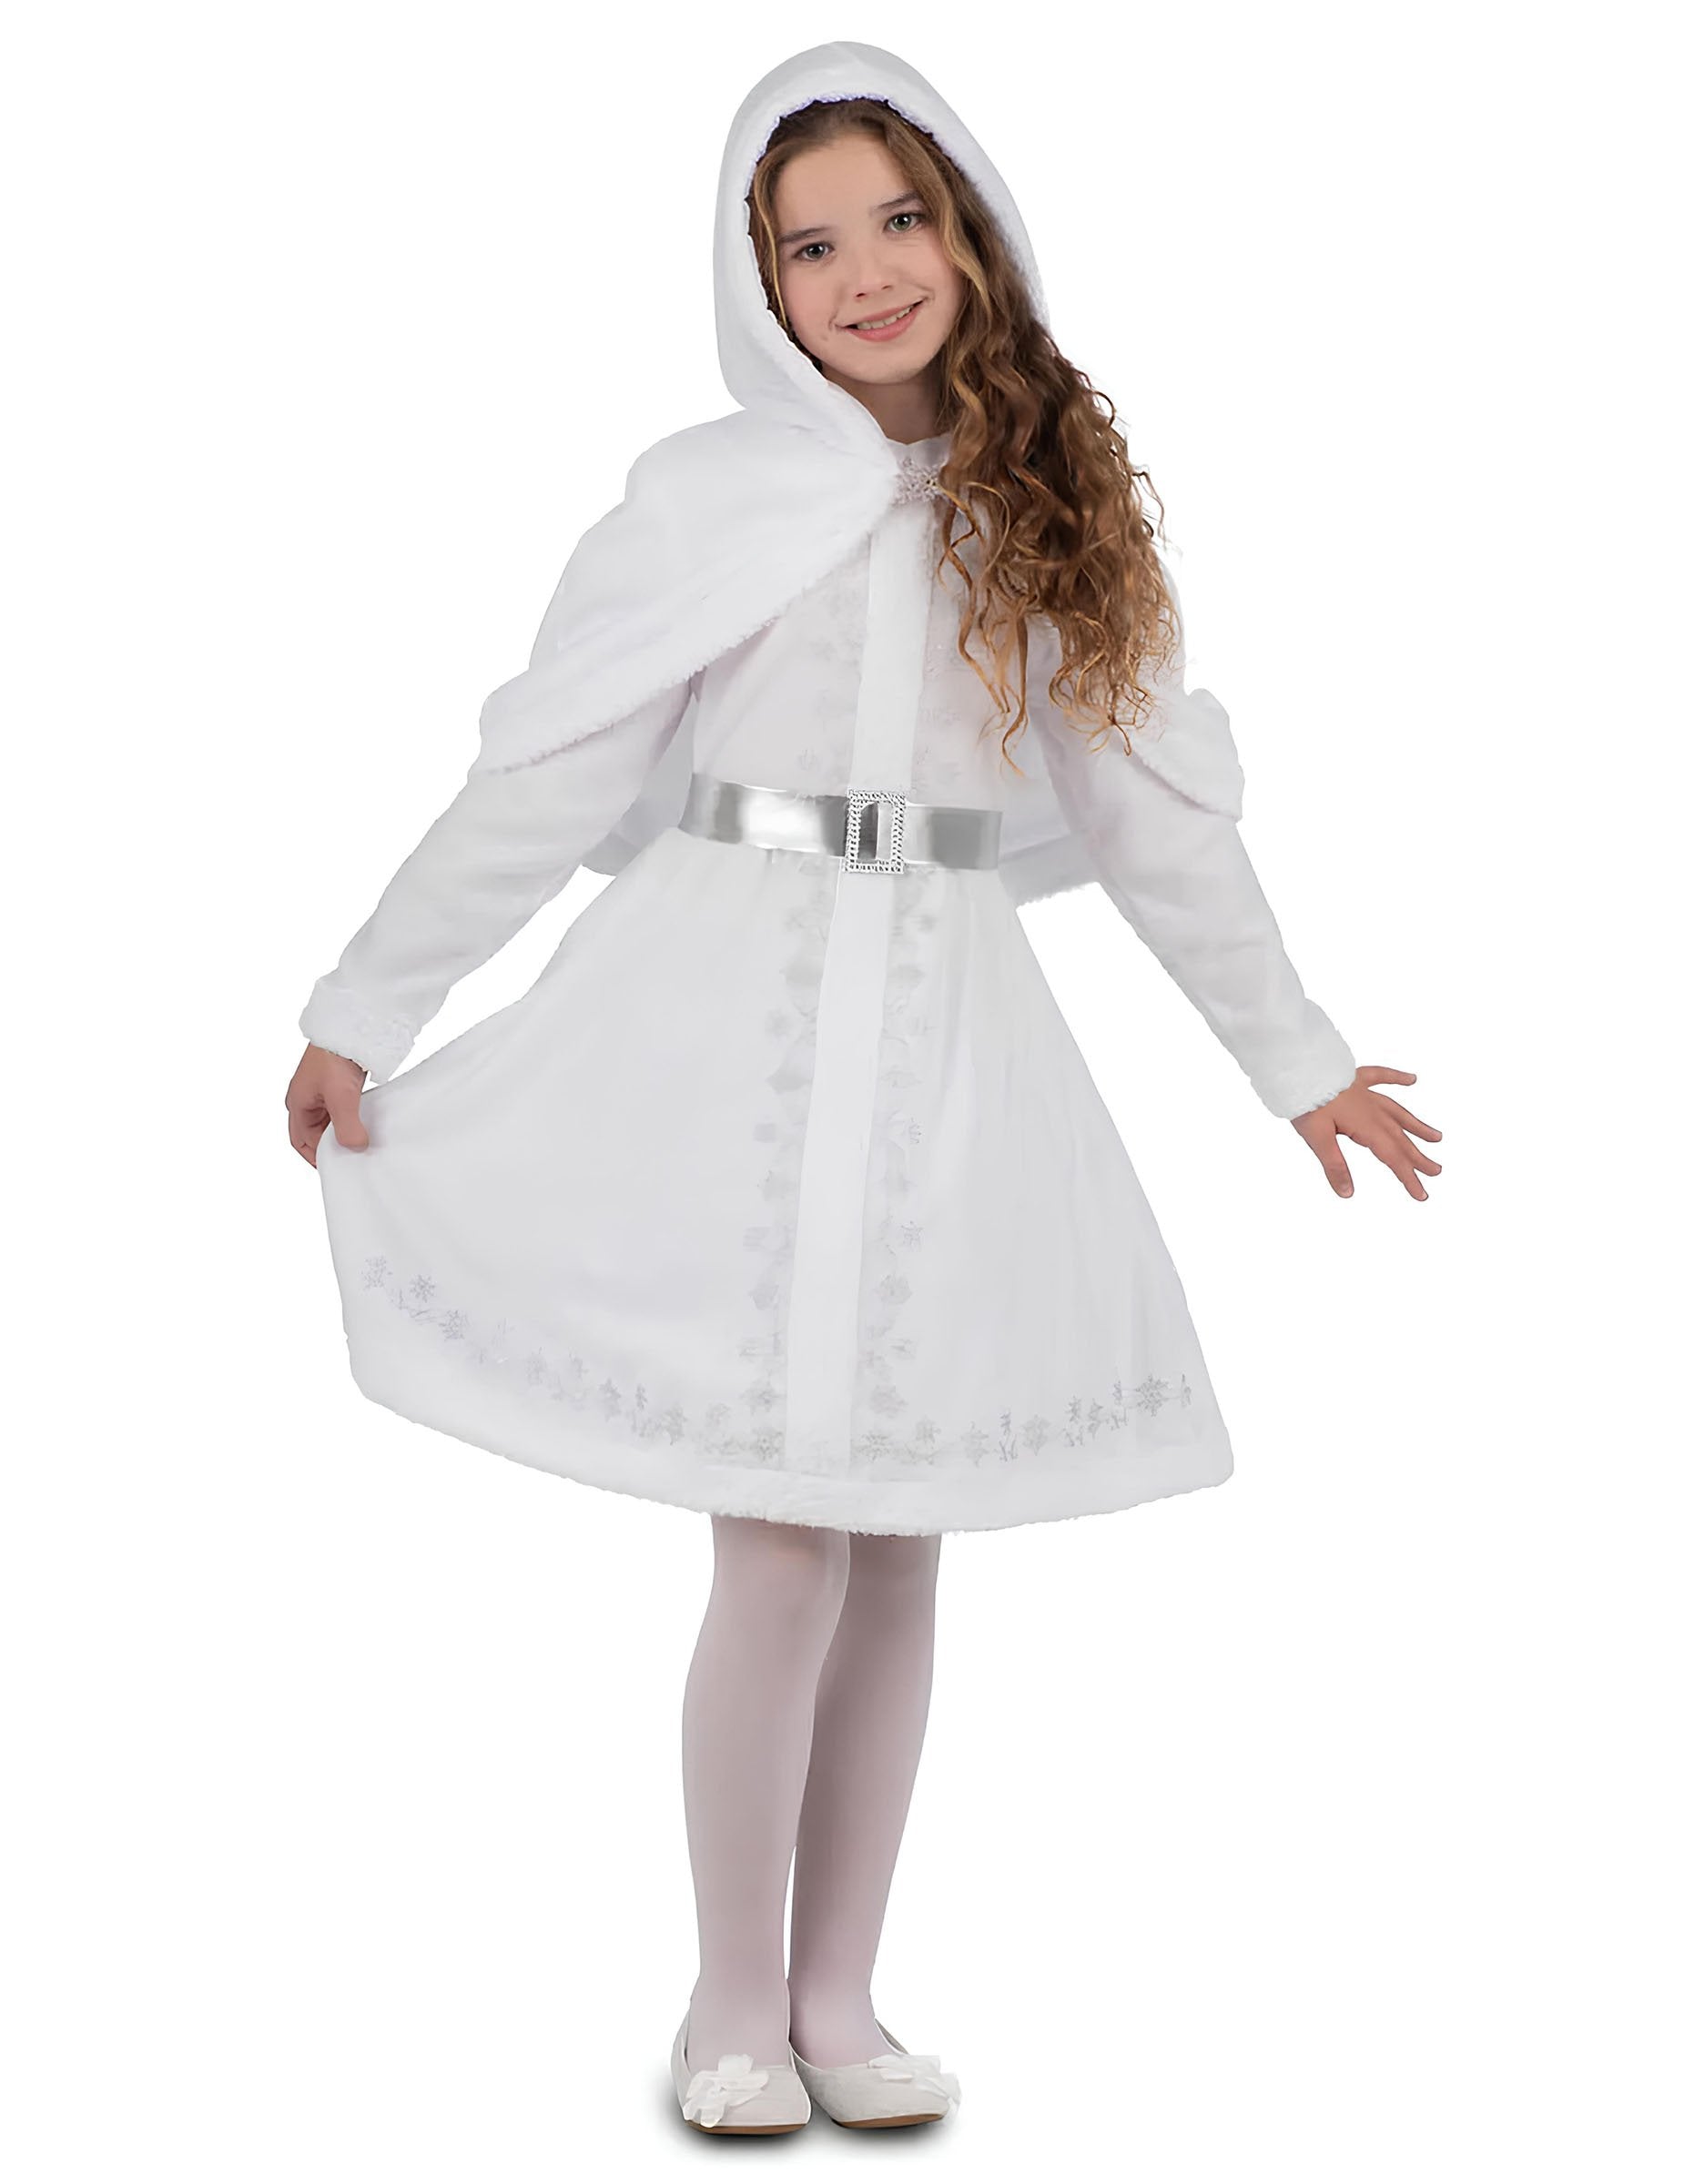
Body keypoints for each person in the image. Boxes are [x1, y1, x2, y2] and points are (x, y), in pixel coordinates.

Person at [285, 42, 1441, 2136]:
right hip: (731, 1018)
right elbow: (545, 768)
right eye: (808, 245)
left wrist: (1298, 1062)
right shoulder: (707, 501)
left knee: (894, 1543)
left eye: (898, 219)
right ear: (758, 288)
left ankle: (840, 1994)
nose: (865, 271)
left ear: (970, 230)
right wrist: (370, 1000)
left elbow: (1152, 817)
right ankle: (729, 2001)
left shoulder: (1041, 508)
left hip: (942, 1042)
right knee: (781, 1546)